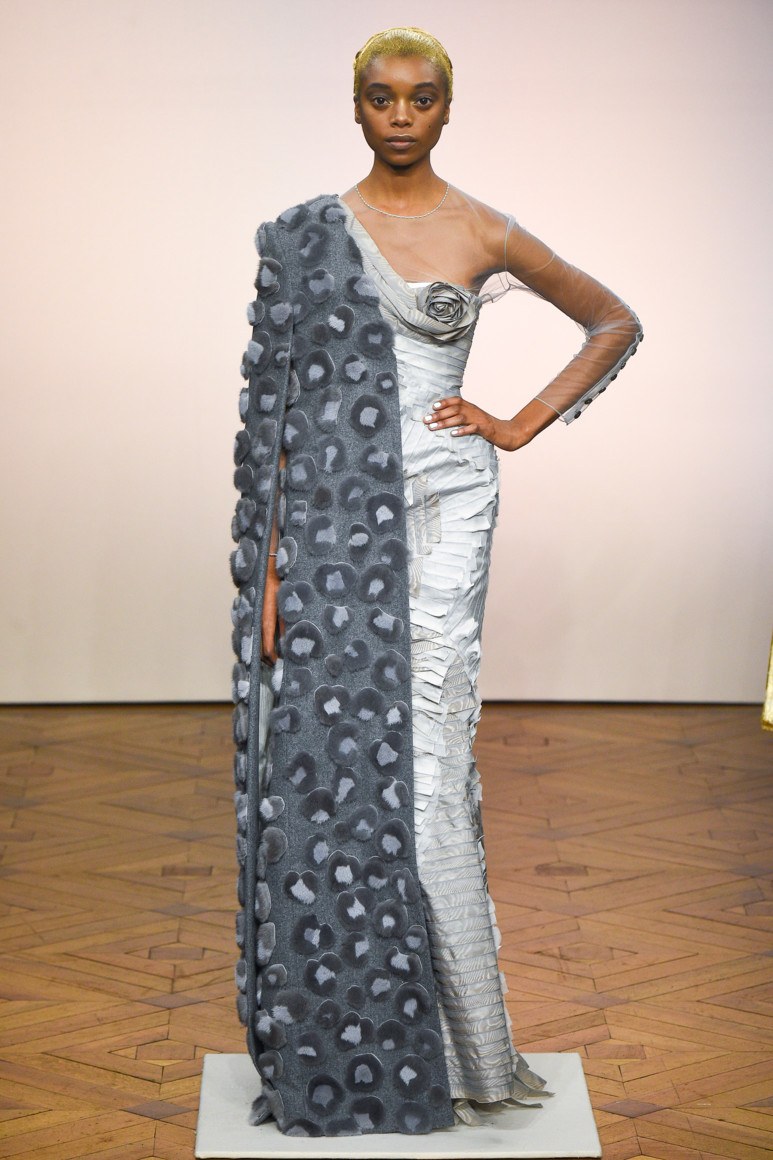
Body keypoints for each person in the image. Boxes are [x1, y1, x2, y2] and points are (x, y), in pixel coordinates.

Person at [230, 26, 642, 1139]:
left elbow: (611, 320)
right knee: (333, 756)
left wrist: (515, 422)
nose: (401, 115)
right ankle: (368, 1033)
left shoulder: (482, 228)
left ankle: (466, 1051)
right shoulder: (305, 236)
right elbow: (278, 417)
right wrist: (269, 571)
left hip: (448, 501)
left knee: (428, 757)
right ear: (355, 107)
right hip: (331, 517)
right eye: (381, 97)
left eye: (420, 98)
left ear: (446, 109)